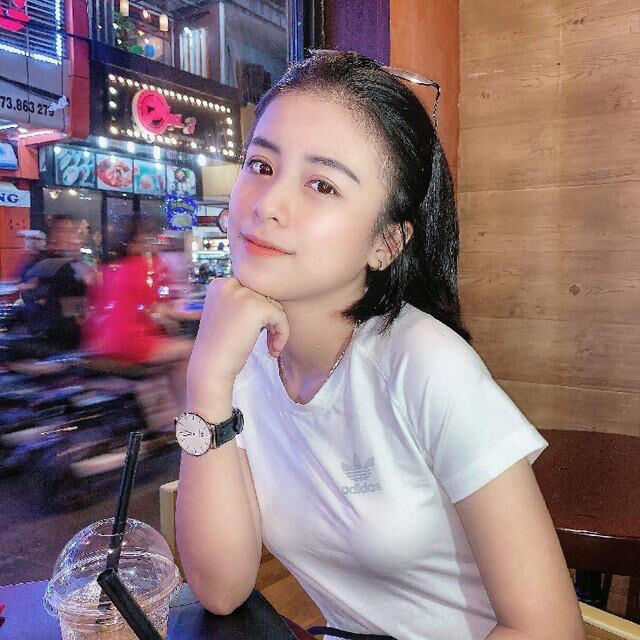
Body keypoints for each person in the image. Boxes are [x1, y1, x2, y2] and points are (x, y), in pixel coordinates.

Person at [176, 52, 585, 640]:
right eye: (260, 165)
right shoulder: (239, 355)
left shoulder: (426, 365)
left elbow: (549, 629)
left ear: (386, 243)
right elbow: (220, 589)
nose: (266, 204)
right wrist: (207, 383)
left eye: (322, 184)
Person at [83, 218, 193, 406]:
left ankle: (161, 405)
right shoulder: (149, 267)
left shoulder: (107, 269)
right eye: (149, 239)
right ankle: (184, 410)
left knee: (172, 349)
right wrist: (196, 314)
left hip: (99, 343)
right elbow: (160, 308)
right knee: (190, 351)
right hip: (130, 343)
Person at [21, 215, 87, 351]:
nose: (68, 237)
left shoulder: (74, 266)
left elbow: (79, 308)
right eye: (62, 231)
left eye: (70, 232)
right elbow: (29, 292)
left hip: (67, 339)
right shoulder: (45, 263)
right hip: (50, 338)